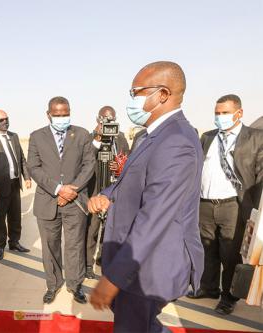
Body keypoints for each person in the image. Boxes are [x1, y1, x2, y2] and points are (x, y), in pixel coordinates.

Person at [87, 61, 204, 333]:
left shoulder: (176, 141)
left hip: (149, 267)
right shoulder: (148, 136)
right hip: (134, 261)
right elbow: (130, 180)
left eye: (136, 93)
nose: (132, 101)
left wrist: (114, 276)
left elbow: (155, 216)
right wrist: (107, 195)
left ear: (162, 94)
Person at [187, 94, 263, 315]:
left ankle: (228, 296)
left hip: (234, 205)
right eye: (217, 113)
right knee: (207, 248)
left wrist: (255, 211)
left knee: (230, 253)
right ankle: (208, 287)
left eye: (225, 113)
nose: (220, 117)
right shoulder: (208, 137)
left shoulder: (255, 138)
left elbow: (259, 177)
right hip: (206, 203)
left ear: (239, 113)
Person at [27, 96, 95, 304]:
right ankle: (53, 284)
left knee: (75, 246)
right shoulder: (37, 137)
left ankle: (75, 285)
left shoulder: (82, 134)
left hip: (75, 202)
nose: (62, 118)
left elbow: (89, 164)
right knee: (50, 247)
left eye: (65, 114)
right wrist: (58, 189)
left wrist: (71, 190)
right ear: (48, 114)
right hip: (48, 201)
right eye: (57, 115)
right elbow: (34, 167)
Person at [86, 106, 130, 278]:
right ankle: (88, 265)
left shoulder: (121, 138)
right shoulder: (89, 138)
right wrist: (98, 138)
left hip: (114, 191)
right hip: (95, 190)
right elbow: (86, 160)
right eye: (104, 119)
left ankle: (104, 260)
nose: (108, 122)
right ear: (98, 119)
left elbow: (128, 160)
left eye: (111, 119)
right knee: (92, 230)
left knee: (109, 230)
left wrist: (119, 166)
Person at [0, 110, 32, 260]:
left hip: (14, 184)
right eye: (1, 120)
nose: (5, 122)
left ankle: (14, 242)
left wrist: (27, 177)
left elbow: (21, 158)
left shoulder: (14, 136)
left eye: (6, 119)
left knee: (15, 216)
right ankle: (0, 246)